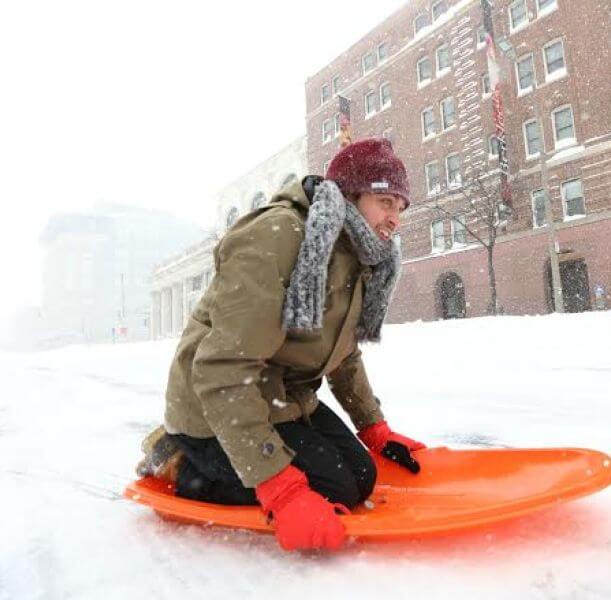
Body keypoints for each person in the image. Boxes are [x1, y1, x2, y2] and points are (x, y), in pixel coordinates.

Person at [136, 138, 425, 551]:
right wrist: (280, 490)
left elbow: (343, 351)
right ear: (348, 194)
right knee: (332, 487)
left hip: (282, 395)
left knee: (360, 476)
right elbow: (222, 368)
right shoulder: (278, 238)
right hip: (215, 403)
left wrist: (374, 427)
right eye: (384, 201)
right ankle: (181, 458)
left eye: (400, 207)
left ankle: (241, 457)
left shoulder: (358, 255)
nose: (394, 218)